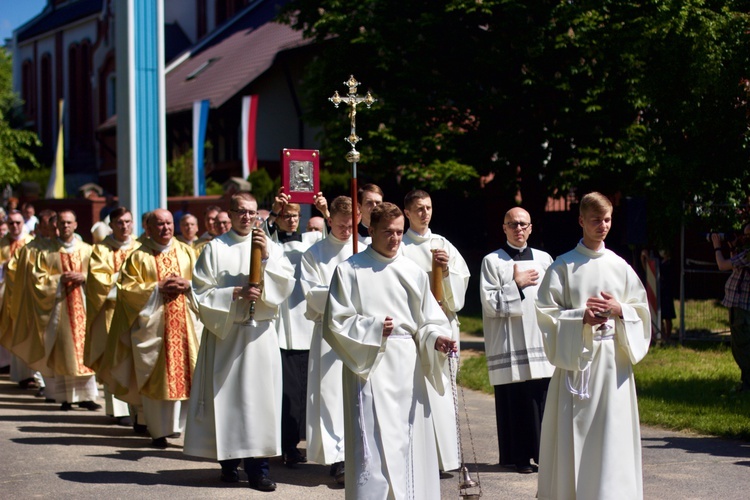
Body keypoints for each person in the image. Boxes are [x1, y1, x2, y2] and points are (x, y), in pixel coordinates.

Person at [323, 202, 456, 499]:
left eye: (399, 232)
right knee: (373, 438)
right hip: (369, 364)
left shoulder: (413, 271)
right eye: (388, 232)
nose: (395, 238)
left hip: (407, 366)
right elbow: (334, 322)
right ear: (371, 230)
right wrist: (372, 328)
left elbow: (428, 320)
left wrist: (436, 339)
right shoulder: (349, 271)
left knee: (409, 440)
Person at [535, 192, 650, 500]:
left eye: (608, 219)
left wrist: (620, 309)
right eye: (596, 220)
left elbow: (641, 310)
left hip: (613, 362)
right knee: (578, 434)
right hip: (578, 363)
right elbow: (545, 314)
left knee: (612, 433)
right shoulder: (563, 266)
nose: (603, 226)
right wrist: (579, 318)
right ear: (581, 220)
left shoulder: (621, 266)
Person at [184, 192, 295, 492]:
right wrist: (234, 293)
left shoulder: (267, 245)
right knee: (230, 401)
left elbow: (286, 283)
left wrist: (268, 260)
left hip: (260, 333)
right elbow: (199, 293)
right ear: (230, 214)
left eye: (252, 213)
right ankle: (229, 464)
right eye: (241, 212)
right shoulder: (215, 249)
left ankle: (258, 470)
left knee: (261, 403)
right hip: (228, 334)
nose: (247, 218)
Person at [105, 209, 200, 448]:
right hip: (153, 329)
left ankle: (184, 429)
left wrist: (187, 285)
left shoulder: (187, 252)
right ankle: (157, 431)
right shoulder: (138, 257)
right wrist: (156, 287)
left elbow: (203, 282)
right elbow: (126, 290)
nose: (165, 228)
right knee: (155, 377)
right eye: (159, 224)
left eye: (169, 223)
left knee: (190, 375)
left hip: (185, 326)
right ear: (148, 228)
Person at [479, 207, 554, 473]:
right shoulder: (492, 261)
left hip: (539, 341)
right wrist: (516, 284)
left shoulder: (545, 259)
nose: (518, 228)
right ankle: (519, 456)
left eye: (523, 224)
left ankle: (544, 454)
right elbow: (489, 305)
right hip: (509, 343)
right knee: (517, 400)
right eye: (512, 224)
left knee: (541, 398)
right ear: (504, 228)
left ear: (531, 228)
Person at [401, 189, 470, 473]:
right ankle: (419, 453)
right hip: (417, 329)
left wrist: (445, 271)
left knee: (444, 390)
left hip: (443, 324)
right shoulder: (401, 246)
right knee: (418, 391)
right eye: (418, 208)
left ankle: (446, 457)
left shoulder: (443, 244)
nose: (424, 213)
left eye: (428, 207)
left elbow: (459, 290)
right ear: (406, 212)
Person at [300, 195, 363, 484]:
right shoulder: (315, 254)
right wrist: (343, 292)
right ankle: (338, 458)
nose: (346, 231)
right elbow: (312, 295)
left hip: (362, 333)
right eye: (340, 225)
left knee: (359, 395)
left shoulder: (364, 250)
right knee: (331, 395)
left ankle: (361, 452)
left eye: (351, 225)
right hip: (329, 335)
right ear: (329, 221)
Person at [267, 190, 323, 467]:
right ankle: (287, 445)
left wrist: (324, 210)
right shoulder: (271, 241)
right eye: (286, 215)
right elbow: (258, 237)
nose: (291, 220)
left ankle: (307, 443)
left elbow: (336, 243)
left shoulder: (312, 242)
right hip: (284, 323)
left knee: (308, 391)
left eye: (296, 216)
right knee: (288, 391)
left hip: (309, 319)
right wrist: (272, 211)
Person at [33, 210, 100, 411]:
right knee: (65, 351)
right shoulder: (47, 252)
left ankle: (87, 396)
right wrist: (57, 280)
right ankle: (65, 398)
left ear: (76, 224)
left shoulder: (87, 250)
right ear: (57, 226)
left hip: (85, 306)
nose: (65, 226)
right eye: (62, 223)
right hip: (60, 309)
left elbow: (99, 275)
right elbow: (38, 279)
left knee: (85, 349)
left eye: (69, 222)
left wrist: (85, 277)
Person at [84, 207, 139, 425]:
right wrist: (127, 281)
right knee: (114, 357)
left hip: (136, 311)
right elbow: (99, 282)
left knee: (135, 359)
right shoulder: (101, 250)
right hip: (111, 312)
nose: (124, 226)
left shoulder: (141, 246)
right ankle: (118, 409)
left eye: (127, 222)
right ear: (112, 225)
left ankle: (139, 410)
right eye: (119, 223)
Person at [0, 210, 36, 389]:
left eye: (18, 223)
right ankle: (11, 369)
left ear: (23, 223)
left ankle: (29, 374)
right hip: (5, 296)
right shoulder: (2, 243)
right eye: (11, 223)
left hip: (26, 298)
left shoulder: (31, 243)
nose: (15, 226)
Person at [711, 224, 750, 391]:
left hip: (742, 307)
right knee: (740, 346)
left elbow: (722, 265)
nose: (745, 238)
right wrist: (733, 247)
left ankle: (748, 384)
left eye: (748, 235)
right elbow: (736, 264)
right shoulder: (745, 254)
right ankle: (746, 382)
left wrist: (716, 246)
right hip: (739, 305)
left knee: (742, 347)